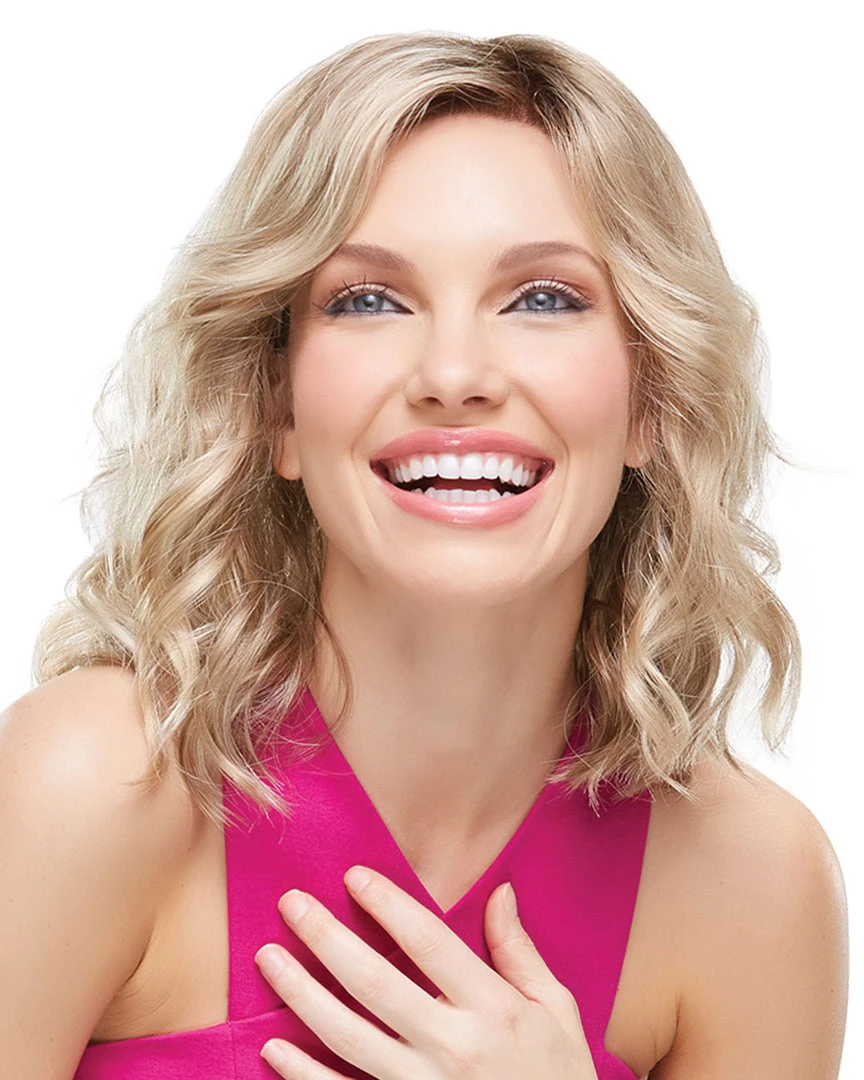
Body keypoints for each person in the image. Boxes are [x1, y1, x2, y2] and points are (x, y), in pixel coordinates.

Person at [0, 31, 848, 1080]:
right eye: (368, 300)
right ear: (277, 406)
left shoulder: (754, 886)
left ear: (651, 401)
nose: (453, 373)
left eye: (544, 298)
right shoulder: (95, 782)